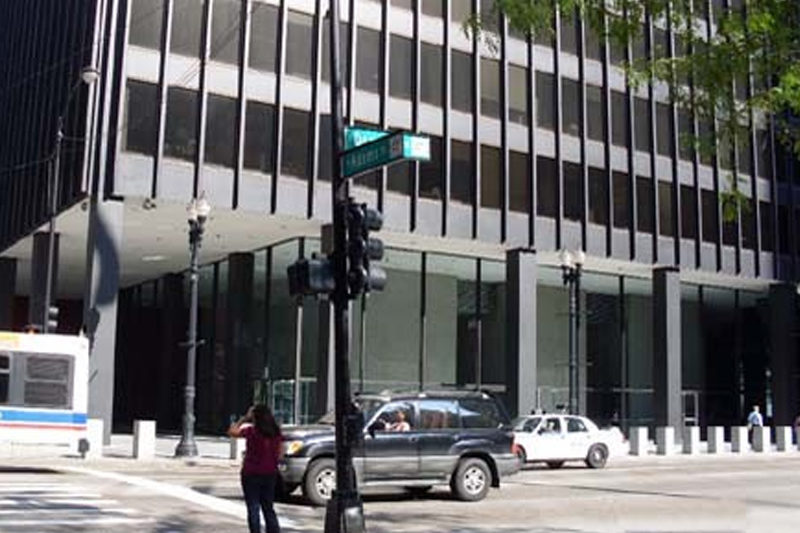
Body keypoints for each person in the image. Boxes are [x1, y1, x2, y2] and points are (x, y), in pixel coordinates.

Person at [228, 404, 283, 533]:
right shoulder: (276, 432)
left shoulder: (252, 431)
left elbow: (231, 432)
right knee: (268, 507)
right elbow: (280, 454)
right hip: (270, 473)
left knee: (253, 508)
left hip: (251, 473)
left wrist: (243, 419)